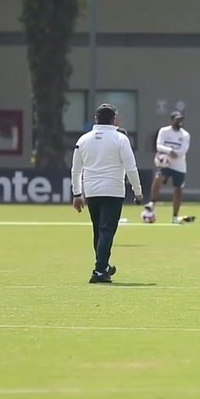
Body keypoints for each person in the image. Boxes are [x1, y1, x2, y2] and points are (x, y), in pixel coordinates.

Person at [71, 104, 143, 284]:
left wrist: (77, 194)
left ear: (96, 119)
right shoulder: (120, 139)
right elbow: (131, 168)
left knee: (99, 230)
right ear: (113, 119)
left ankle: (103, 266)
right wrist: (138, 191)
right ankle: (100, 270)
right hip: (113, 190)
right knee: (106, 231)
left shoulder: (83, 139)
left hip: (92, 191)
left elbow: (75, 170)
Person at [147, 112, 193, 224]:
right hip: (165, 164)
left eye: (181, 119)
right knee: (159, 179)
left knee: (178, 191)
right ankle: (152, 202)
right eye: (177, 120)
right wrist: (169, 151)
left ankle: (175, 216)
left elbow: (183, 150)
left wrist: (176, 153)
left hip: (179, 166)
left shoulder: (185, 135)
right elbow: (159, 145)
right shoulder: (164, 131)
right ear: (172, 120)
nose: (179, 122)